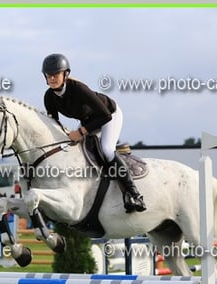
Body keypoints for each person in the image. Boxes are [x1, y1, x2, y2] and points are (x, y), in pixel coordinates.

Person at [41, 53, 146, 213]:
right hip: (88, 121)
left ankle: (134, 194)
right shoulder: (49, 97)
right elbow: (54, 123)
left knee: (107, 150)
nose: (52, 78)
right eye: (49, 75)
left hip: (109, 114)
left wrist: (81, 131)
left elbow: (105, 116)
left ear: (65, 74)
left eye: (56, 74)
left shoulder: (79, 89)